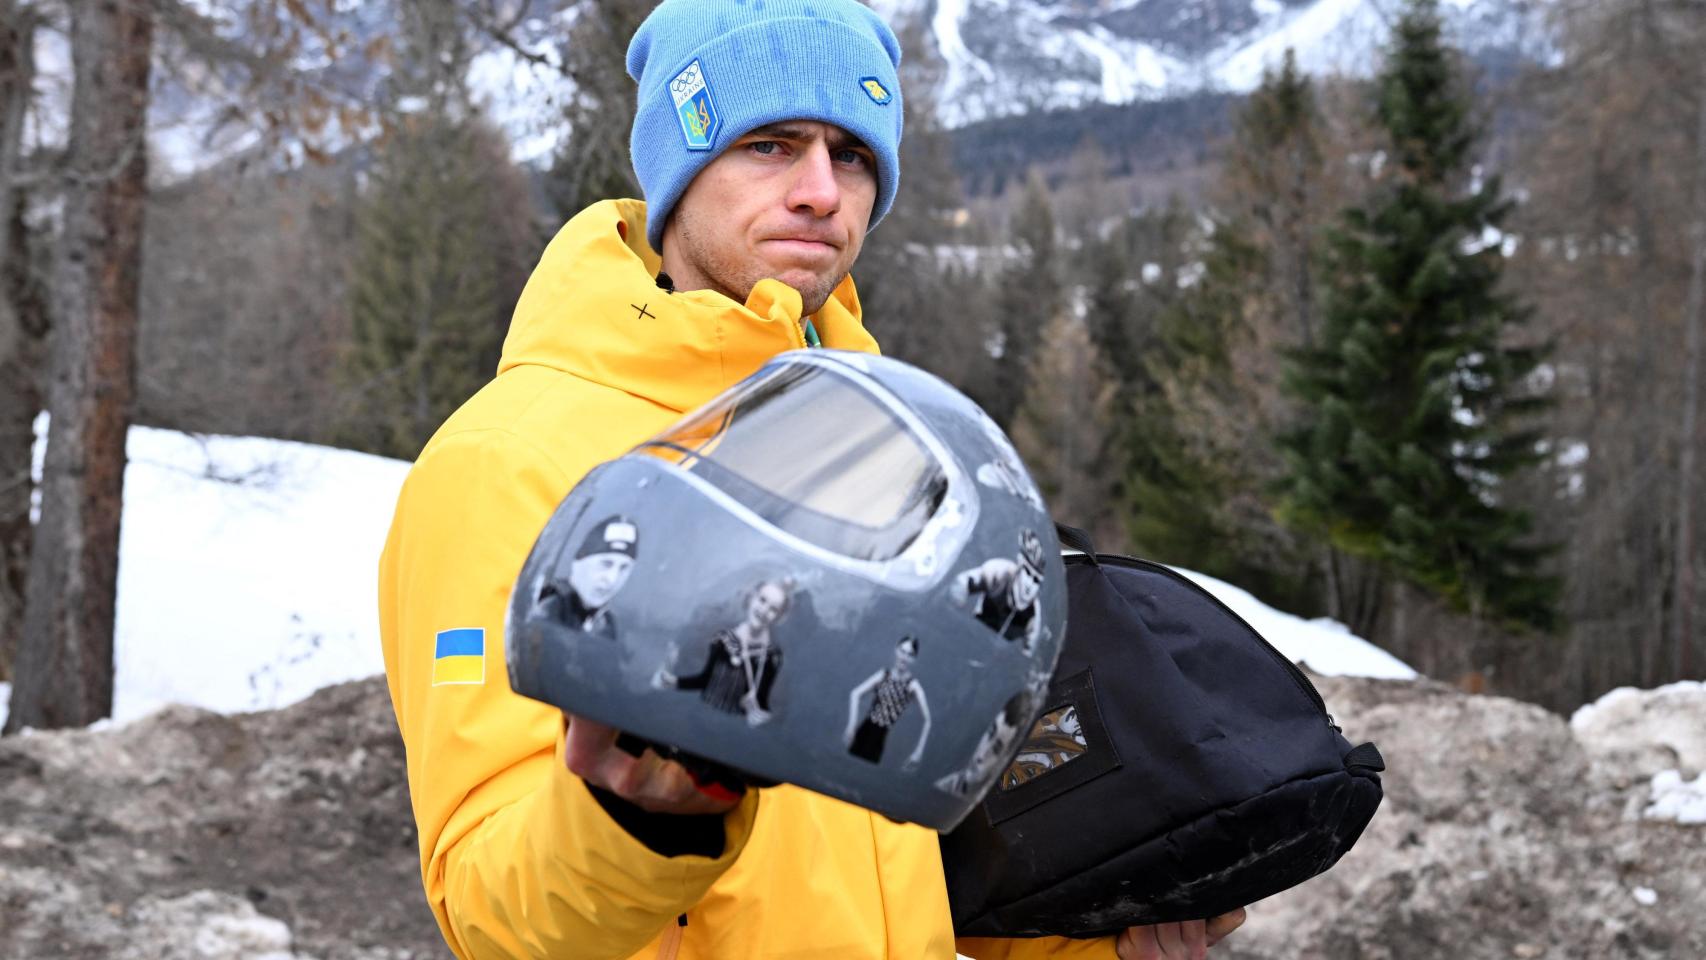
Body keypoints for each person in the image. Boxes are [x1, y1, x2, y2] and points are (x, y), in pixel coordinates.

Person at [376, 0, 1246, 956]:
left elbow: (911, 857)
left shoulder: (895, 447)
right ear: (679, 166)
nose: (822, 191)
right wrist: (643, 818)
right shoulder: (504, 462)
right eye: (771, 145)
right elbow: (488, 910)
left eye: (855, 155)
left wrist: (1097, 938)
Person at [654, 578, 790, 726]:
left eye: (773, 609)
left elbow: (763, 701)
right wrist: (674, 682)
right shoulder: (723, 639)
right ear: (752, 598)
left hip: (733, 729)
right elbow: (705, 680)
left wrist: (760, 714)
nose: (764, 611)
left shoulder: (772, 656)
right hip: (699, 719)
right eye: (762, 600)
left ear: (779, 617)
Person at [845, 635, 933, 766]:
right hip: (864, 730)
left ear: (913, 659)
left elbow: (927, 720)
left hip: (880, 736)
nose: (904, 657)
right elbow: (855, 694)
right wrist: (851, 725)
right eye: (902, 651)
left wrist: (918, 751)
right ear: (896, 650)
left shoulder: (912, 685)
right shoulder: (884, 675)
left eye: (909, 654)